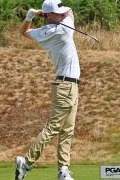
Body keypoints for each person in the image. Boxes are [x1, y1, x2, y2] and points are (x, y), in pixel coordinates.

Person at [15, 0, 80, 180]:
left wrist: (31, 16)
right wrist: (47, 14)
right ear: (52, 16)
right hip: (66, 86)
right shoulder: (64, 29)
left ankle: (63, 171)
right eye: (58, 13)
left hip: (68, 86)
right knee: (53, 128)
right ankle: (26, 162)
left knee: (68, 129)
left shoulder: (44, 32)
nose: (62, 14)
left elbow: (23, 31)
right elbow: (70, 12)